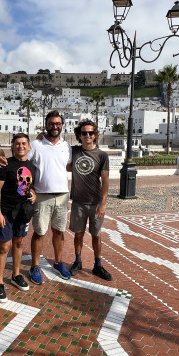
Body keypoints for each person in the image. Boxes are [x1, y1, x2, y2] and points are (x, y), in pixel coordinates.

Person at [0, 110, 72, 285]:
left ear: (62, 125)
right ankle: (35, 266)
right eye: (51, 123)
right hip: (41, 196)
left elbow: (69, 166)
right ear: (46, 125)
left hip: (62, 196)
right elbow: (23, 164)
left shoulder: (67, 146)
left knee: (59, 231)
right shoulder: (36, 144)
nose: (55, 126)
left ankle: (59, 263)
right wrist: (30, 189)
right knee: (39, 232)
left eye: (58, 123)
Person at [0, 133, 36, 302]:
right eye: (17, 143)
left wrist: (34, 196)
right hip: (6, 211)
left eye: (24, 143)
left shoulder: (32, 167)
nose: (21, 146)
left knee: (18, 243)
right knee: (4, 246)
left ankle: (16, 275)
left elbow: (32, 188)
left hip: (23, 212)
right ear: (12, 146)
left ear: (29, 146)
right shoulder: (5, 165)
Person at [67, 120, 112, 281]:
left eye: (90, 133)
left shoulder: (102, 155)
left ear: (95, 135)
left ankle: (98, 265)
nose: (87, 135)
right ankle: (78, 261)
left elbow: (106, 181)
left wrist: (103, 203)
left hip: (95, 202)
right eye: (84, 133)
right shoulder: (74, 151)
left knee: (96, 234)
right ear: (79, 135)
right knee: (78, 234)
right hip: (78, 202)